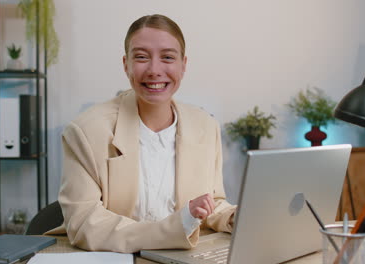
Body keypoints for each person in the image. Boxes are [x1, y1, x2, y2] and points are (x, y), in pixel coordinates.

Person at [45, 14, 236, 253]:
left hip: (185, 257)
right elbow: (84, 223)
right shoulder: (85, 131)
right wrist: (177, 226)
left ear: (183, 65)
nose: (155, 70)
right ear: (126, 64)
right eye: (142, 57)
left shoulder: (206, 127)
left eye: (167, 57)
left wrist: (232, 217)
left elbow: (211, 203)